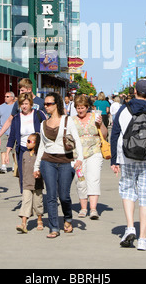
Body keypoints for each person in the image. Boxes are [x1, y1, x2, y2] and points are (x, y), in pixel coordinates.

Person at [110, 78, 146, 250]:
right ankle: (142, 238)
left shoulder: (123, 109)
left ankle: (129, 227)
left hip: (126, 157)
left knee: (127, 191)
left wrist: (114, 160)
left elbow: (115, 134)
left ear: (134, 91)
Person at [34, 92, 83, 239]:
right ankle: (54, 227)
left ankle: (68, 218)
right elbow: (41, 146)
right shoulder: (43, 124)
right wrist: (36, 167)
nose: (46, 106)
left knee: (64, 196)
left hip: (65, 161)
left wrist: (79, 158)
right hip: (47, 161)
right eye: (45, 104)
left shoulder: (67, 121)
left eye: (49, 104)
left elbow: (77, 140)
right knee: (50, 195)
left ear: (57, 105)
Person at [72, 95, 108, 219]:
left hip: (94, 152)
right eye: (78, 108)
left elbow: (104, 134)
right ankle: (83, 208)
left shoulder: (95, 117)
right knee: (80, 180)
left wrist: (101, 123)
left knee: (93, 179)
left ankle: (93, 209)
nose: (80, 110)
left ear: (87, 108)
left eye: (82, 108)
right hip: (78, 155)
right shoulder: (72, 120)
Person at [5, 93, 45, 193]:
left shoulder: (38, 114)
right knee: (23, 175)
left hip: (36, 149)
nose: (24, 106)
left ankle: (37, 195)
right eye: (22, 104)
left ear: (31, 104)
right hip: (22, 149)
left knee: (36, 173)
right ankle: (25, 197)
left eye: (26, 103)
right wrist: (7, 152)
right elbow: (12, 136)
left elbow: (46, 129)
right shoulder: (17, 118)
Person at [16, 133, 44, 234]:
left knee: (38, 204)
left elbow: (43, 169)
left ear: (36, 143)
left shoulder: (40, 155)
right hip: (27, 183)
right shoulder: (25, 154)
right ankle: (23, 223)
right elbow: (22, 169)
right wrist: (22, 182)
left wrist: (41, 175)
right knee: (25, 202)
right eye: (26, 141)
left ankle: (39, 220)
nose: (27, 143)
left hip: (37, 184)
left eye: (29, 141)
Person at [0, 91, 16, 174]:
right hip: (3, 132)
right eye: (5, 96)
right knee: (3, 150)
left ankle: (15, 165)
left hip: (13, 132)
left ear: (12, 97)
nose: (5, 98)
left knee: (14, 151)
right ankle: (3, 166)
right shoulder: (0, 107)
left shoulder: (16, 107)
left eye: (7, 96)